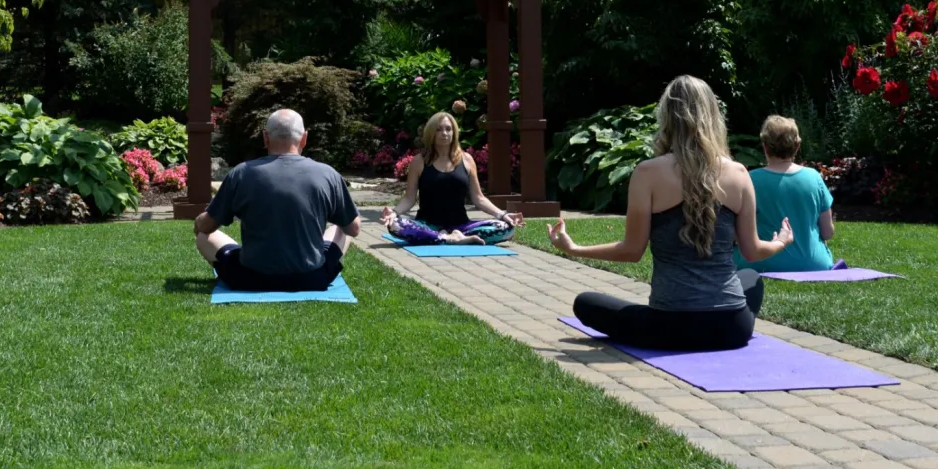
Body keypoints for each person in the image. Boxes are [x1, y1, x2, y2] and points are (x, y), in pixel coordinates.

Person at [549, 76, 795, 352]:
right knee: (751, 278)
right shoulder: (739, 174)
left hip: (669, 327)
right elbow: (752, 251)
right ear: (713, 117)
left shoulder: (647, 173)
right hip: (730, 328)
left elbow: (632, 251)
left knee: (586, 303)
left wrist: (575, 249)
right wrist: (781, 241)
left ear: (667, 118)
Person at [195, 108, 361, 291]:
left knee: (204, 237)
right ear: (304, 138)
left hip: (250, 278)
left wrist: (198, 221)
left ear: (265, 137)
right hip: (312, 278)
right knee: (342, 226)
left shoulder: (241, 174)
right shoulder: (328, 174)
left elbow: (205, 227)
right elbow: (354, 229)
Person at [380, 111, 523, 244]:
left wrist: (503, 215)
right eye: (439, 129)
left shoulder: (467, 160)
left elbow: (479, 198)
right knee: (395, 225)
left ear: (454, 132)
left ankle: (447, 237)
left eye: (448, 129)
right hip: (427, 225)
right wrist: (393, 213)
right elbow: (409, 199)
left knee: (506, 227)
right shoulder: (419, 161)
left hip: (461, 226)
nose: (444, 133)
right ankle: (447, 238)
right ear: (431, 133)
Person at [735, 114, 836, 273]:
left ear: (765, 147)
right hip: (814, 264)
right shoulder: (814, 177)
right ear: (797, 146)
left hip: (760, 263)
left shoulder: (750, 179)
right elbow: (827, 232)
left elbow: (737, 233)